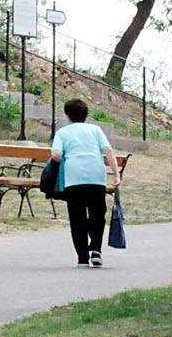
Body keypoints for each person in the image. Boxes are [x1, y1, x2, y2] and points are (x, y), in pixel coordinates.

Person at [51, 98, 122, 267]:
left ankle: (82, 256)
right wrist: (116, 174)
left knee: (77, 217)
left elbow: (56, 155)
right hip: (96, 176)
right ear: (86, 115)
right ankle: (96, 250)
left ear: (67, 115)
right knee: (97, 213)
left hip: (74, 178)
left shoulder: (62, 133)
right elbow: (108, 151)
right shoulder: (95, 130)